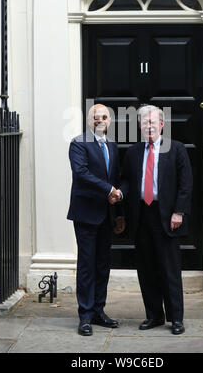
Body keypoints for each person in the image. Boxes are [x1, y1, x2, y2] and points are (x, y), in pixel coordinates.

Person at [116, 105, 193, 335]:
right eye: (144, 122)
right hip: (141, 215)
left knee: (169, 270)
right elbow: (127, 181)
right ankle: (154, 316)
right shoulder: (133, 152)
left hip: (168, 216)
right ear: (139, 126)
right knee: (146, 270)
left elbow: (185, 184)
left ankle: (176, 318)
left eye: (153, 122)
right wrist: (119, 197)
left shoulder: (177, 149)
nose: (149, 126)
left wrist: (179, 211)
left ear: (162, 124)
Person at [67, 103, 125, 336]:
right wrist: (109, 189)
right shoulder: (78, 143)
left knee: (102, 265)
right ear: (89, 120)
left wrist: (119, 213)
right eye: (95, 117)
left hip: (107, 215)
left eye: (104, 117)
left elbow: (117, 176)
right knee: (87, 266)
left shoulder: (111, 144)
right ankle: (85, 316)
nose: (100, 120)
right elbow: (81, 173)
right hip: (86, 214)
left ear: (109, 121)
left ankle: (99, 310)